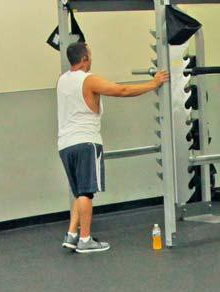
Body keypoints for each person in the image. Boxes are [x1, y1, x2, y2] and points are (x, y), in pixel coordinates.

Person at [56, 42, 168, 254]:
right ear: (84, 59)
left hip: (65, 144)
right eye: (90, 55)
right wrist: (153, 84)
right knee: (86, 193)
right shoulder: (88, 79)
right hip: (86, 142)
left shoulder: (62, 81)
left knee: (79, 191)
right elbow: (122, 90)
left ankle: (71, 235)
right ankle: (86, 239)